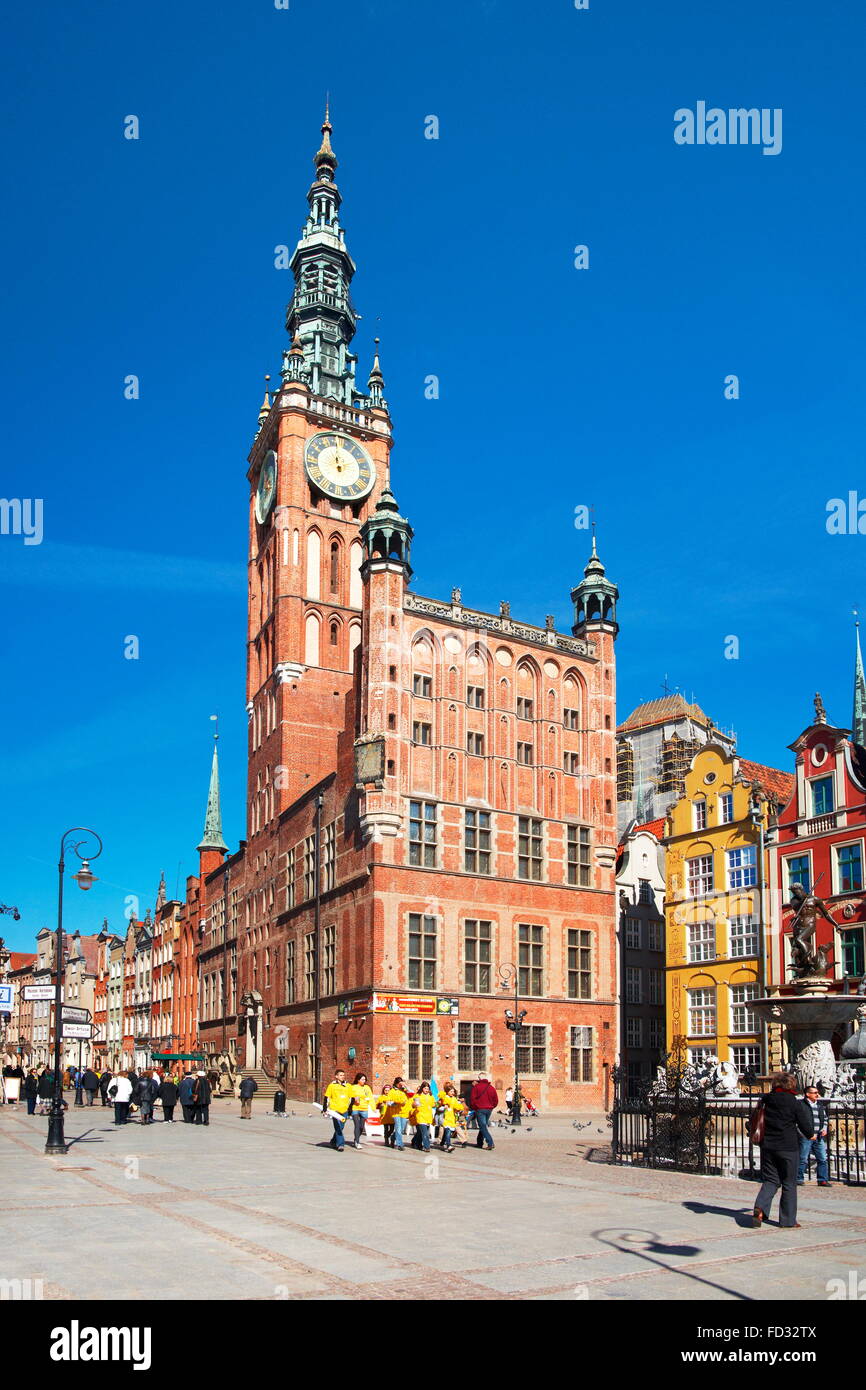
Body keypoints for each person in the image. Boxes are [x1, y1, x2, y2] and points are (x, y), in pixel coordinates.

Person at [752, 1072, 814, 1228]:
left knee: (771, 1180)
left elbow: (753, 1118)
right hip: (788, 1147)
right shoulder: (794, 1102)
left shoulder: (766, 1100)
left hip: (768, 1146)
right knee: (789, 1183)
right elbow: (805, 1126)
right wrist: (811, 1135)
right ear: (791, 1085)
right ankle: (787, 1220)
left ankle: (760, 1208)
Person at [798, 1084, 831, 1187]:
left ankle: (822, 1179)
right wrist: (804, 1134)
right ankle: (798, 1178)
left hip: (819, 1136)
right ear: (807, 1094)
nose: (817, 1094)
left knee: (822, 1158)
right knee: (802, 1158)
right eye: (815, 1093)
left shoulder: (820, 1105)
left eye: (817, 1092)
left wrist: (824, 1129)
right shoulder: (801, 1105)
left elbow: (825, 1119)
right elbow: (797, 1122)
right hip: (806, 1136)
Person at [322, 1069, 353, 1151]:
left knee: (341, 1127)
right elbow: (326, 1097)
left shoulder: (348, 1086)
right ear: (336, 1076)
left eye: (343, 1075)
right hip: (335, 1110)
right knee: (338, 1127)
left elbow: (351, 1098)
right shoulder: (332, 1086)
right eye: (340, 1075)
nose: (342, 1076)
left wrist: (350, 1110)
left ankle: (333, 1141)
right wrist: (324, 1108)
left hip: (344, 1110)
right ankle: (340, 1144)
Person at [469, 1073, 499, 1151]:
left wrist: (475, 1107)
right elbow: (496, 1100)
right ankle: (479, 1143)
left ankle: (490, 1142)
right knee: (483, 1126)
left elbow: (472, 1099)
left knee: (482, 1126)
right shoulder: (491, 1088)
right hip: (489, 1109)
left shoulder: (476, 1087)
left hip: (480, 1109)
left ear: (479, 1078)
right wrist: (492, 1107)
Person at [385, 1078, 413, 1152]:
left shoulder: (404, 1090)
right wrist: (396, 1103)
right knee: (398, 1128)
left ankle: (393, 1137)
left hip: (404, 1112)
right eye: (400, 1084)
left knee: (401, 1129)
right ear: (396, 1083)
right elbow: (388, 1102)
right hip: (395, 1112)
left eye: (402, 1083)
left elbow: (412, 1094)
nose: (401, 1085)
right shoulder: (392, 1091)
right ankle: (400, 1144)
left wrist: (406, 1086)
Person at [438, 1082, 466, 1152]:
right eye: (451, 1091)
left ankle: (442, 1142)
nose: (452, 1092)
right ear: (447, 1091)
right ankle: (449, 1145)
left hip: (452, 1118)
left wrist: (459, 1109)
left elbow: (457, 1106)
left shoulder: (454, 1099)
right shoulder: (444, 1098)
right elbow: (438, 1107)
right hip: (445, 1118)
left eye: (453, 1091)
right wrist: (444, 1107)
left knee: (447, 1132)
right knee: (447, 1132)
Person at [348, 1072, 374, 1148]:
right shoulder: (353, 1087)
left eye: (365, 1079)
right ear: (358, 1080)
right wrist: (354, 1098)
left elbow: (371, 1098)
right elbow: (349, 1095)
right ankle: (357, 1142)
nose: (364, 1081)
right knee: (357, 1125)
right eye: (362, 1079)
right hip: (355, 1108)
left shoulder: (367, 1088)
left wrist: (373, 1107)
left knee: (361, 1127)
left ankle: (356, 1138)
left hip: (364, 1108)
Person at [410, 1082, 436, 1152]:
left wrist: (436, 1104)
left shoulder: (431, 1096)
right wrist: (415, 1104)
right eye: (425, 1088)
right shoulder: (418, 1095)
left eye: (427, 1088)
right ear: (422, 1088)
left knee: (420, 1132)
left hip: (428, 1116)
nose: (426, 1090)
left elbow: (433, 1104)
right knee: (425, 1133)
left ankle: (416, 1143)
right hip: (420, 1115)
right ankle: (427, 1146)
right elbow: (413, 1104)